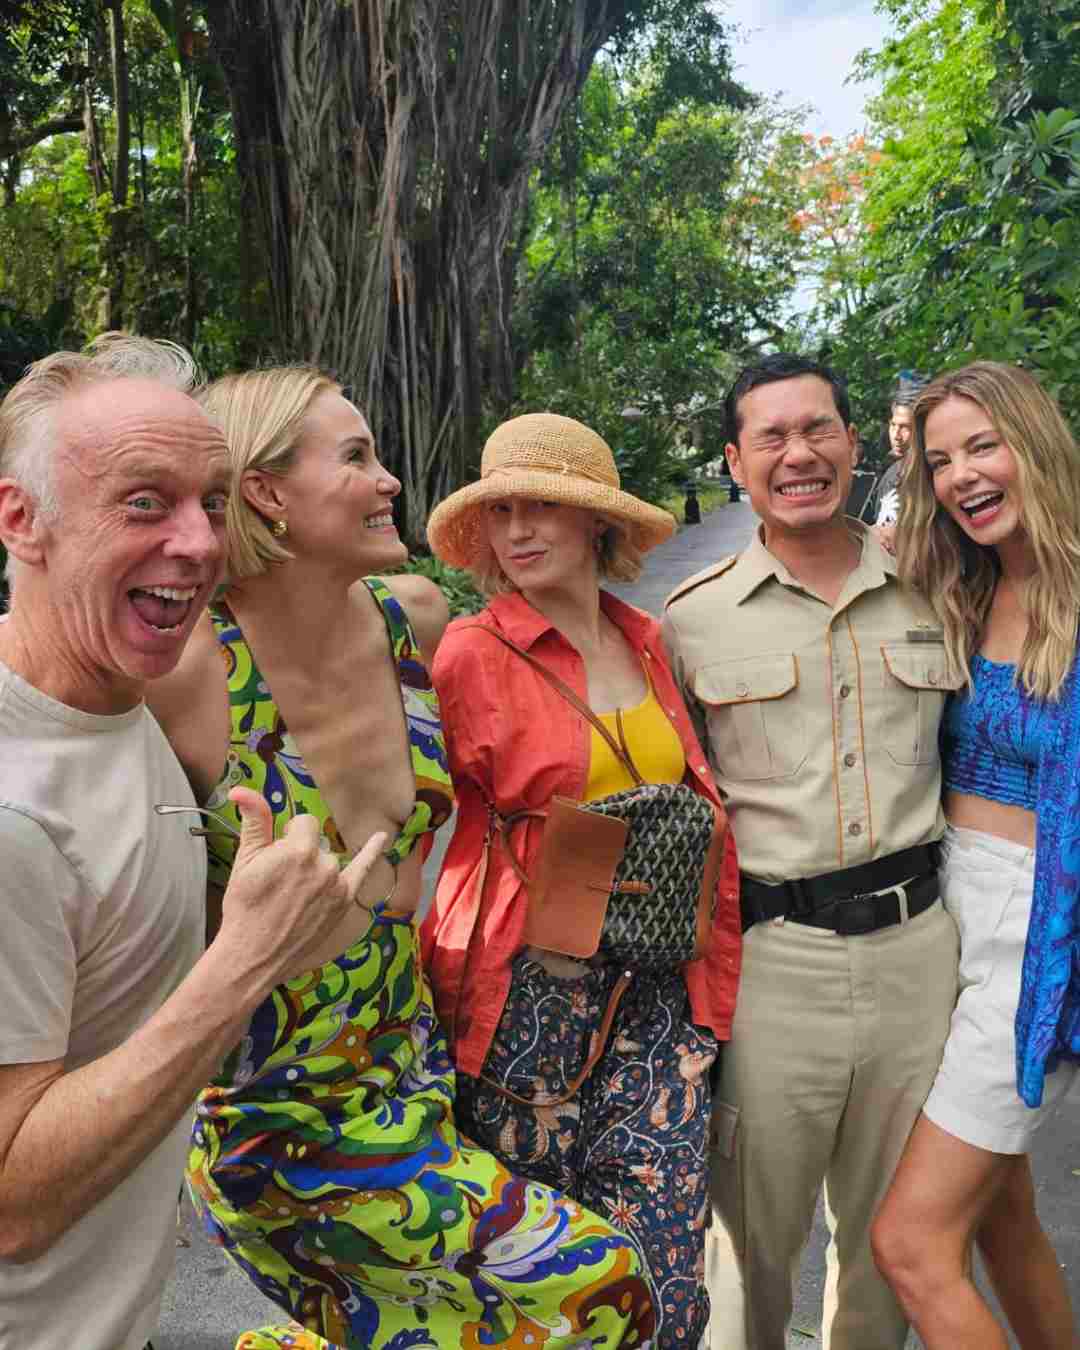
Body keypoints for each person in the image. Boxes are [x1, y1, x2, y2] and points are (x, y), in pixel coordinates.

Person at [148, 375, 655, 1350]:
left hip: (415, 1064)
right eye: (356, 457)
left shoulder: (410, 618)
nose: (390, 481)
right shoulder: (190, 674)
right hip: (281, 1120)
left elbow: (536, 754)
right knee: (602, 1288)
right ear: (266, 492)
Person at [0, 337, 384, 1350]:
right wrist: (245, 959)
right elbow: (13, 1205)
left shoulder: (117, 696)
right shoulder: (13, 817)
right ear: (21, 521)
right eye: (143, 503)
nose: (200, 541)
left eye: (210, 502)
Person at [421, 412, 742, 1347]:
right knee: (535, 1276)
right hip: (533, 988)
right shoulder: (473, 652)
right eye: (501, 511)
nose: (518, 531)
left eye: (543, 508)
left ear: (596, 520)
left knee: (666, 1276)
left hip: (657, 988)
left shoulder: (645, 639)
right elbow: (413, 812)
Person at [662, 353, 960, 1350]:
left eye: (818, 428)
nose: (799, 454)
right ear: (735, 462)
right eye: (773, 437)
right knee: (748, 1249)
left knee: (891, 1246)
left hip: (920, 958)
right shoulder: (692, 619)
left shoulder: (937, 590)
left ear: (855, 441)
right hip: (772, 966)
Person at [871, 362, 1080, 1349]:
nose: (961, 476)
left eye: (982, 446)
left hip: (1036, 934)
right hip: (944, 910)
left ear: (1033, 444)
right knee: (1000, 1218)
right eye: (941, 460)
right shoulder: (966, 585)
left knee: (912, 1245)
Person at [870, 374, 926, 552]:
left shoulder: (935, 475)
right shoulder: (891, 473)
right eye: (893, 425)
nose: (896, 435)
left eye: (905, 427)